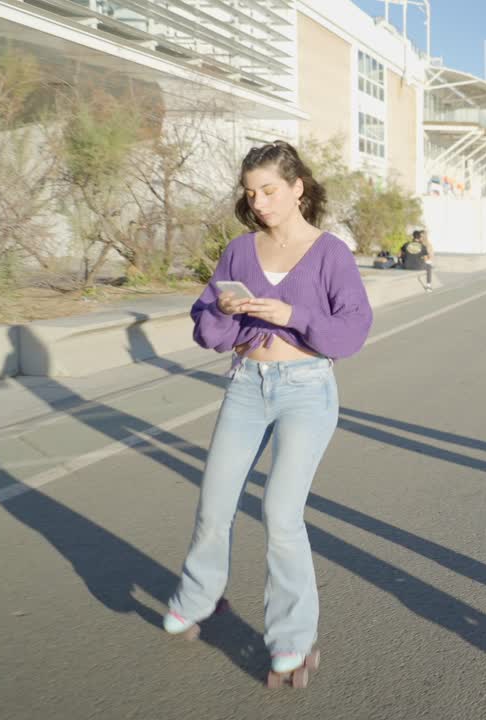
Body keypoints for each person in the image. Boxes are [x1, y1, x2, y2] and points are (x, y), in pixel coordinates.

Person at [163, 141, 373, 686]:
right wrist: (222, 308)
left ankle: (291, 641)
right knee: (214, 504)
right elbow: (208, 329)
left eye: (270, 190)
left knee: (281, 515)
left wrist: (292, 313)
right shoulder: (239, 251)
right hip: (245, 385)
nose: (259, 202)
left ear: (298, 187)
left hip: (306, 388)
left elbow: (352, 328)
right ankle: (199, 597)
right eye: (251, 193)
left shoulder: (332, 253)